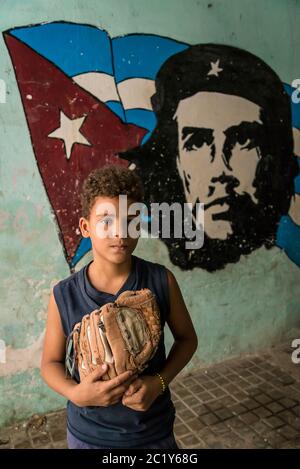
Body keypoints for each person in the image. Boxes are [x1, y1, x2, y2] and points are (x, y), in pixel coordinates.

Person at [40, 165, 198, 449]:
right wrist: (76, 394)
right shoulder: (64, 295)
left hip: (152, 433)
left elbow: (187, 340)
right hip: (89, 436)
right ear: (85, 227)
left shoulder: (161, 280)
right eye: (106, 221)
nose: (119, 232)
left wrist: (158, 383)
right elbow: (50, 363)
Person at [120, 44, 299, 272]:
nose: (219, 170)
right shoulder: (143, 274)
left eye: (242, 140)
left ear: (269, 159)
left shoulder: (288, 277)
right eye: (197, 143)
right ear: (176, 161)